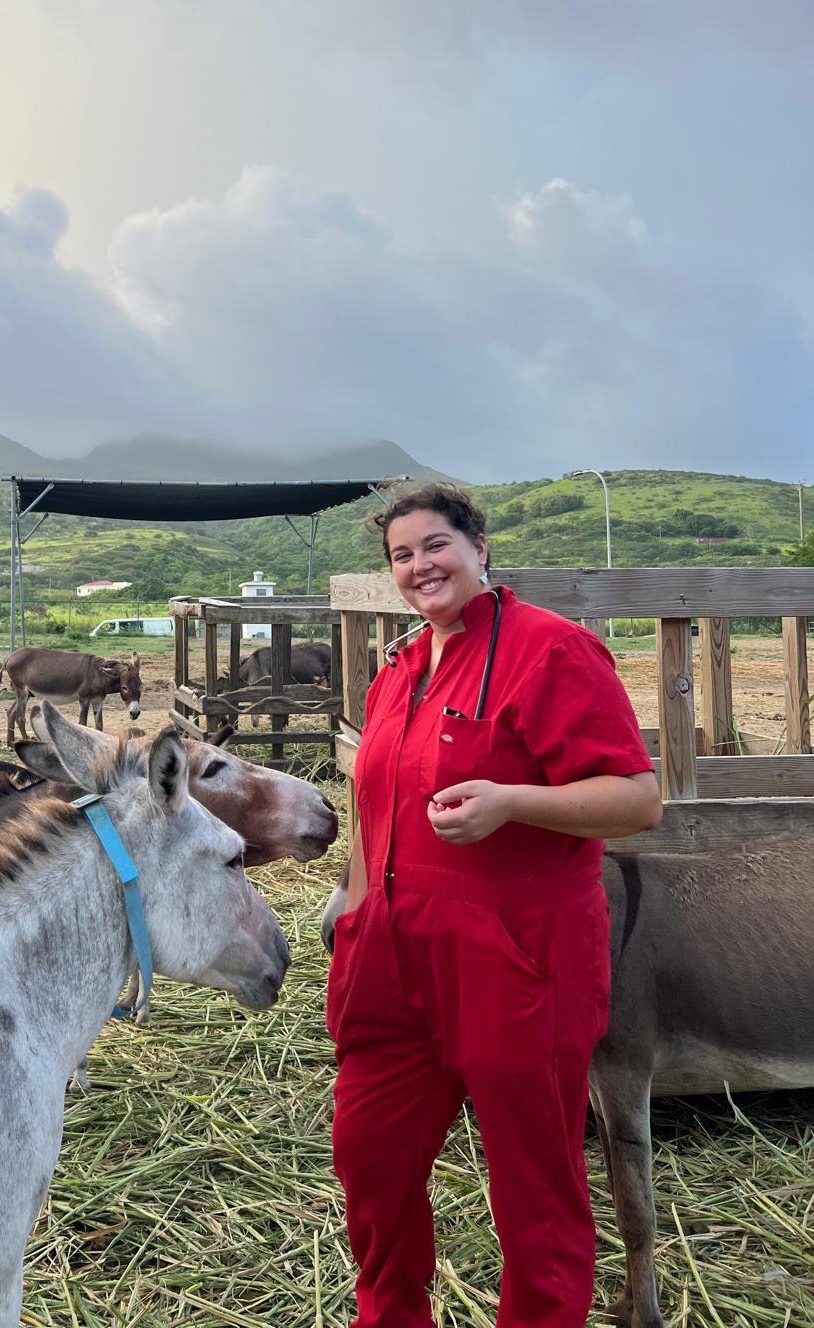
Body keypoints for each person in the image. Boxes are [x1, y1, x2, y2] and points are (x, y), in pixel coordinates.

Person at [327, 482, 661, 1328]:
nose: (418, 566)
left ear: (479, 547)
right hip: (394, 958)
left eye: (434, 544)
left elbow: (635, 800)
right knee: (371, 1158)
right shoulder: (397, 671)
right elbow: (375, 811)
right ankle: (390, 1314)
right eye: (401, 555)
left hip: (517, 957)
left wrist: (516, 802)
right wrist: (356, 916)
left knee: (533, 1182)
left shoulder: (552, 651)